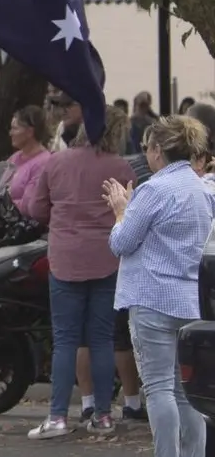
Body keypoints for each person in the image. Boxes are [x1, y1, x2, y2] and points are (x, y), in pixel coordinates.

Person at [106, 115, 215, 457]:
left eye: (148, 147)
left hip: (151, 298)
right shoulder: (203, 188)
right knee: (187, 391)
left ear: (157, 150)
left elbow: (122, 242)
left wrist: (121, 210)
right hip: (190, 300)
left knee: (157, 388)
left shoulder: (153, 189)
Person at [21, 106, 132, 438]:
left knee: (66, 340)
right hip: (107, 259)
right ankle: (103, 416)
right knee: (102, 339)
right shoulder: (122, 167)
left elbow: (35, 207)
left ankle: (57, 418)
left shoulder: (57, 162)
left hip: (66, 259)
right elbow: (128, 212)